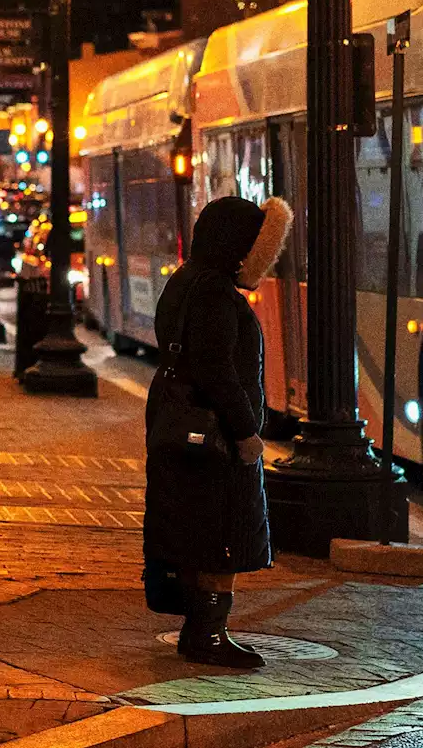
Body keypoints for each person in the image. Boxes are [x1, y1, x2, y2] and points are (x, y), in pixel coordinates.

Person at [144, 195, 293, 670]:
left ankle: (199, 629)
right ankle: (208, 635)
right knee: (221, 531)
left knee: (194, 525)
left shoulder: (187, 281)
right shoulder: (215, 294)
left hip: (179, 424)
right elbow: (217, 371)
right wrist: (247, 432)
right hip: (214, 436)